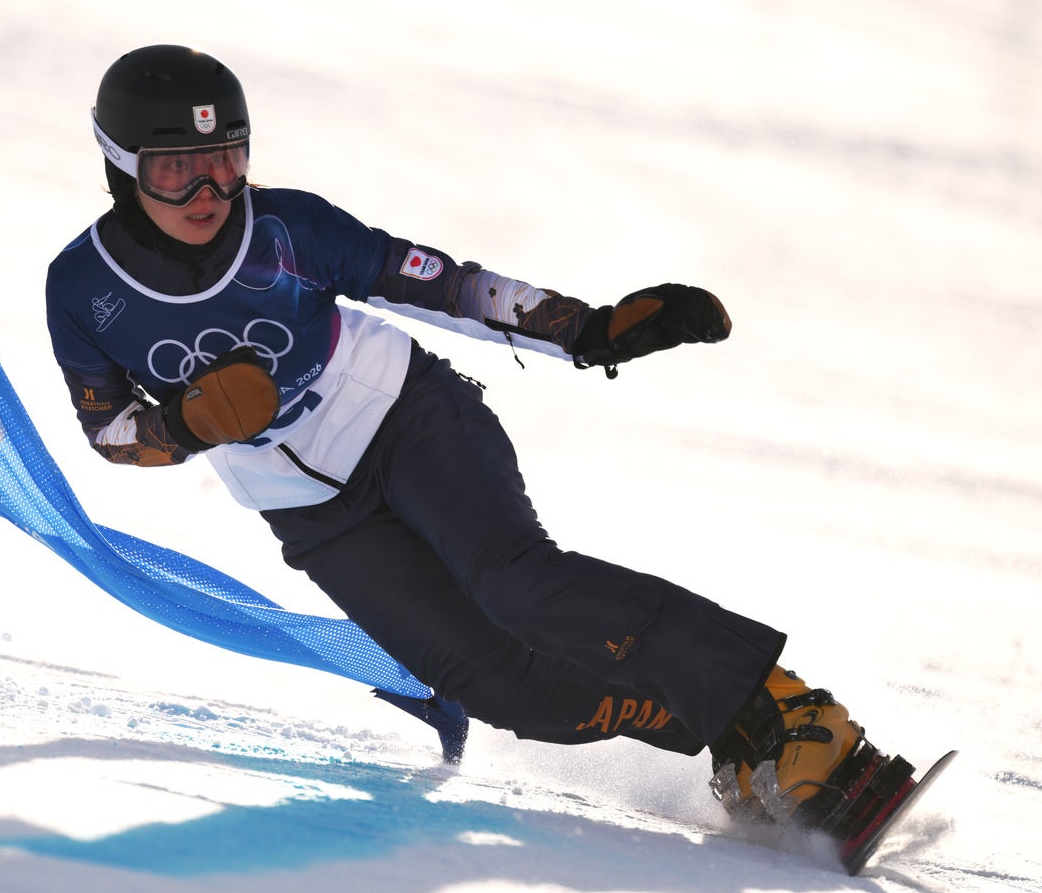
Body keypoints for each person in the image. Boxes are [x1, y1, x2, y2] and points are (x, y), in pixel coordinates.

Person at [45, 44, 917, 850]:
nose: (209, 193)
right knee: (508, 688)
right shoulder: (82, 288)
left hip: (405, 415)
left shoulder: (287, 231)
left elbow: (442, 283)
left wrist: (590, 329)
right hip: (312, 513)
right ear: (121, 169)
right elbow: (110, 432)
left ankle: (793, 714)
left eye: (227, 161)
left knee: (518, 584)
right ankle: (734, 737)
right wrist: (185, 426)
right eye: (177, 170)